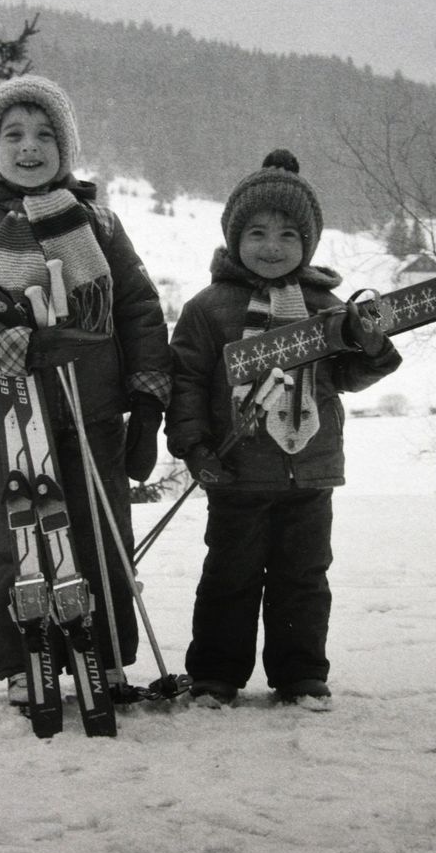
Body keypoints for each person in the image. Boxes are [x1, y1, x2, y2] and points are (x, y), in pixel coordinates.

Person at [0, 74, 171, 705]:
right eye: (13, 135)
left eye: (44, 134)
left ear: (65, 148)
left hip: (93, 413)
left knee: (98, 534)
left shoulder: (99, 225)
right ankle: (21, 658)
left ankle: (108, 656)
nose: (29, 146)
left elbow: (140, 309)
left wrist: (146, 402)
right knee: (19, 539)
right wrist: (21, 347)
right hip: (10, 418)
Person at [165, 149, 401, 709]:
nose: (273, 246)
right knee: (230, 578)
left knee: (303, 580)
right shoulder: (209, 308)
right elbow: (188, 382)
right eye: (258, 232)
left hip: (309, 473)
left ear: (310, 243)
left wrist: (369, 347)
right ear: (233, 236)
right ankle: (215, 677)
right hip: (236, 474)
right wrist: (195, 448)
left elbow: (345, 375)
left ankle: (300, 676)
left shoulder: (327, 307)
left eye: (290, 234)